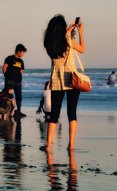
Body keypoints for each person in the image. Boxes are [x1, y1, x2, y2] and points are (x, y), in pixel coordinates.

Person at [41, 15, 85, 151]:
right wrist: (80, 33)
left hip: (56, 80)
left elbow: (61, 42)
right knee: (72, 113)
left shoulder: (49, 44)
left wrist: (69, 32)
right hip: (72, 79)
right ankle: (71, 145)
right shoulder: (69, 41)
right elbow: (82, 49)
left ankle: (48, 145)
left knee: (54, 113)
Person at [3, 44, 27, 118]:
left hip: (18, 82)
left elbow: (21, 71)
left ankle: (18, 111)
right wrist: (6, 77)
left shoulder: (21, 61)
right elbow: (5, 67)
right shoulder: (9, 58)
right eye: (22, 52)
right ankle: (5, 110)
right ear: (18, 51)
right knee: (7, 96)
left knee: (19, 96)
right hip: (9, 80)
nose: (23, 54)